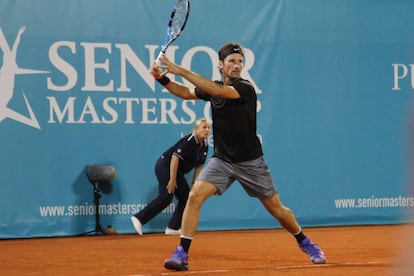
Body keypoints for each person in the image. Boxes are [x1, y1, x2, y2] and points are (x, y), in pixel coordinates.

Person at [149, 42, 326, 271]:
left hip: (251, 162)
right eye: (232, 61)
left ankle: (305, 242)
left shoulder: (245, 88)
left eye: (240, 61)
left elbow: (219, 91)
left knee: (278, 211)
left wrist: (180, 70)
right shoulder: (213, 87)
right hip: (222, 161)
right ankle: (181, 254)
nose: (237, 65)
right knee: (194, 197)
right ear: (221, 65)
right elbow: (185, 93)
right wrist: (161, 79)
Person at [130, 118, 210, 236]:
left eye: (208, 128)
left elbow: (198, 166)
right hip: (165, 166)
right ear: (196, 129)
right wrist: (172, 179)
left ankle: (173, 227)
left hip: (176, 171)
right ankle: (138, 218)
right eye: (204, 127)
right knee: (166, 197)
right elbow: (175, 157)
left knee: (186, 197)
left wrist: (195, 185)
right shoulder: (190, 140)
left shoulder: (205, 146)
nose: (207, 130)